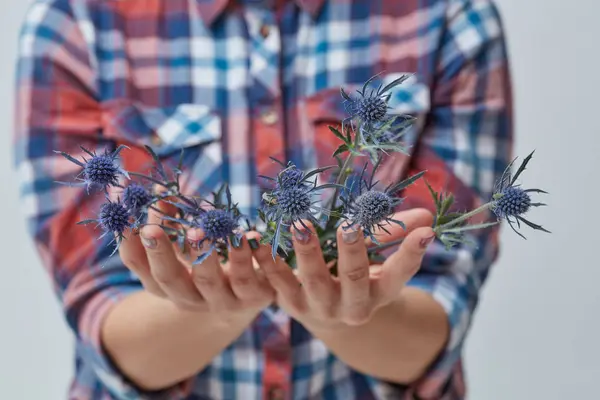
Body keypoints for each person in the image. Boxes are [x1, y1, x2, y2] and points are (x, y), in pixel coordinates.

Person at [13, 0, 513, 399]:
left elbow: (440, 313)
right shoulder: (72, 22)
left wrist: (343, 305)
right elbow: (102, 316)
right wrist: (217, 307)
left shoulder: (449, 15)